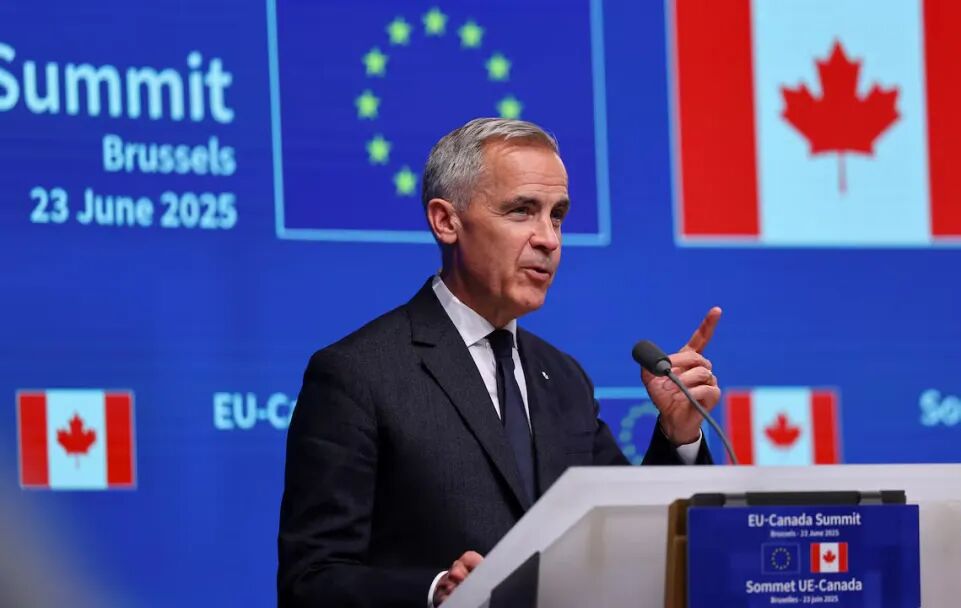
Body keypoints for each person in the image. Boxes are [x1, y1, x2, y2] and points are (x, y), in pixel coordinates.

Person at [277, 118, 723, 607]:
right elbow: (310, 581)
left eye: (557, 216)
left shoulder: (564, 378)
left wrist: (678, 435)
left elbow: (634, 540)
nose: (549, 239)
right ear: (446, 221)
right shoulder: (358, 374)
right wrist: (436, 593)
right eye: (521, 211)